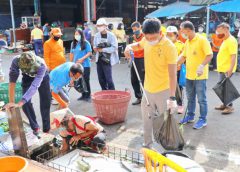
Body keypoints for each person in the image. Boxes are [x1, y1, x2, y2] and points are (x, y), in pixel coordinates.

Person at [125, 18, 178, 148]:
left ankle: (168, 146)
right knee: (147, 119)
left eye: (153, 38)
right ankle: (147, 144)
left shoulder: (169, 47)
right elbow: (138, 45)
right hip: (147, 89)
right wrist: (129, 46)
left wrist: (172, 97)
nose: (150, 41)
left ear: (160, 33)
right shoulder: (146, 40)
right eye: (147, 38)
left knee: (165, 120)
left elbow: (172, 74)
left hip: (163, 90)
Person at [178, 21, 213, 129]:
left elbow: (209, 54)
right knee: (190, 97)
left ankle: (203, 119)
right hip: (189, 75)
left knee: (201, 99)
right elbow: (183, 56)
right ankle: (190, 116)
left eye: (182, 30)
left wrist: (202, 65)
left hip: (200, 76)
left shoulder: (202, 40)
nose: (181, 32)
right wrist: (174, 64)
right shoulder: (187, 42)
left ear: (188, 30)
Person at [6, 52, 51, 136]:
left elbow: (34, 86)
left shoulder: (42, 65)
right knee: (26, 104)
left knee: (46, 102)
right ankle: (35, 127)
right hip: (27, 77)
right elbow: (12, 82)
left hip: (43, 77)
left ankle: (46, 129)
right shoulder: (16, 61)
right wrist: (12, 102)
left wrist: (20, 102)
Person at [215, 23, 238, 114]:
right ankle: (225, 104)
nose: (218, 33)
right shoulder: (225, 40)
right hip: (222, 68)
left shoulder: (231, 40)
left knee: (225, 87)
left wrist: (230, 69)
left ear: (225, 29)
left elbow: (233, 56)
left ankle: (229, 106)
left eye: (220, 31)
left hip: (226, 69)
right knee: (222, 87)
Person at [93, 18, 119, 90]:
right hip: (99, 59)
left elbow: (114, 47)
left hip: (107, 59)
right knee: (101, 79)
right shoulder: (96, 35)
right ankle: (105, 93)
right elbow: (94, 45)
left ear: (105, 26)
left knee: (109, 79)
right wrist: (95, 48)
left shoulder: (111, 35)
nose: (99, 27)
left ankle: (112, 93)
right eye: (98, 26)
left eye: (100, 25)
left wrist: (103, 49)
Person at [166, 26, 185, 114]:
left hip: (177, 69)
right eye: (168, 35)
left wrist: (179, 64)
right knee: (167, 88)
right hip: (166, 69)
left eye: (171, 35)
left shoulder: (181, 44)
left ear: (176, 35)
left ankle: (180, 104)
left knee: (178, 88)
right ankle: (170, 105)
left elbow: (184, 57)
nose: (169, 36)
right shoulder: (164, 44)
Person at [70, 28, 92, 101]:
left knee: (86, 80)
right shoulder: (73, 43)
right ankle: (83, 95)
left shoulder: (86, 43)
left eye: (78, 34)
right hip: (76, 66)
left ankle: (88, 95)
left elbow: (89, 52)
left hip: (85, 65)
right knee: (79, 80)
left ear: (81, 35)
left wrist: (82, 59)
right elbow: (71, 54)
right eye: (75, 34)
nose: (77, 36)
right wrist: (71, 64)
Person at [130, 21, 145, 105]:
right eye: (133, 30)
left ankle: (145, 98)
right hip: (134, 59)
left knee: (142, 80)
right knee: (133, 79)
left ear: (140, 28)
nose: (134, 31)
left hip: (142, 60)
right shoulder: (133, 37)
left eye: (136, 29)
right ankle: (138, 97)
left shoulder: (145, 37)